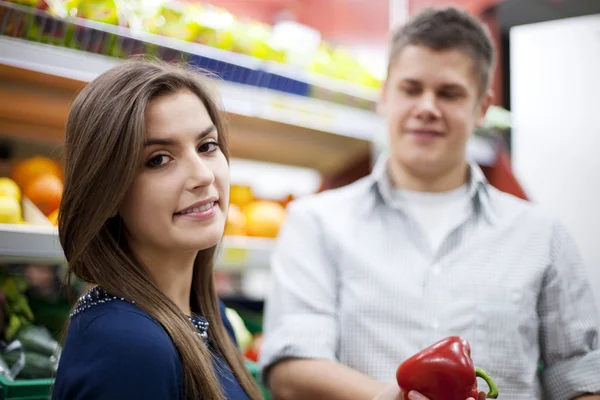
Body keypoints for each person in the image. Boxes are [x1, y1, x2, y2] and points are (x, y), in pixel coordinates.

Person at [259, 6, 600, 400]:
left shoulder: (542, 235)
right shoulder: (315, 221)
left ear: (482, 108)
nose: (427, 107)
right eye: (411, 88)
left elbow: (580, 377)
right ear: (384, 96)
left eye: (449, 93)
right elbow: (289, 368)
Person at [52, 59, 264, 400]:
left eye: (207, 146)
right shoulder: (125, 345)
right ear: (106, 192)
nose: (204, 176)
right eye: (159, 159)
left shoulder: (209, 315)